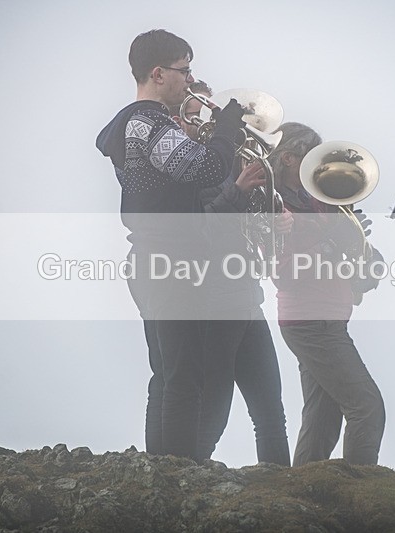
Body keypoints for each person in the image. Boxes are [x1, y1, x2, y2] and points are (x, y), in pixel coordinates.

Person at [95, 29, 246, 461]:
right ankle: (177, 478)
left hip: (151, 259)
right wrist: (227, 133)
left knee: (166, 373)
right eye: (185, 70)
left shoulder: (134, 123)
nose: (190, 79)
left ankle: (160, 476)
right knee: (183, 377)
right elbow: (204, 168)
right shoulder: (148, 121)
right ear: (158, 73)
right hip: (171, 260)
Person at [169, 81, 291, 465]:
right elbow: (203, 233)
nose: (195, 124)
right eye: (190, 119)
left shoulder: (232, 162)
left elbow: (250, 230)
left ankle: (282, 497)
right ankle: (183, 485)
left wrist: (276, 220)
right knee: (213, 414)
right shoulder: (188, 176)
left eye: (197, 118)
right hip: (214, 303)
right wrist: (236, 191)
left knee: (271, 410)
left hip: (246, 299)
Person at [269, 122, 386, 466]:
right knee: (367, 408)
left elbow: (339, 256)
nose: (319, 167)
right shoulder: (278, 206)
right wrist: (337, 240)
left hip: (324, 319)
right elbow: (285, 274)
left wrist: (364, 251)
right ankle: (361, 499)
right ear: (289, 159)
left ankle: (301, 499)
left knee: (322, 420)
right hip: (311, 321)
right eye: (310, 156)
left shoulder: (317, 200)